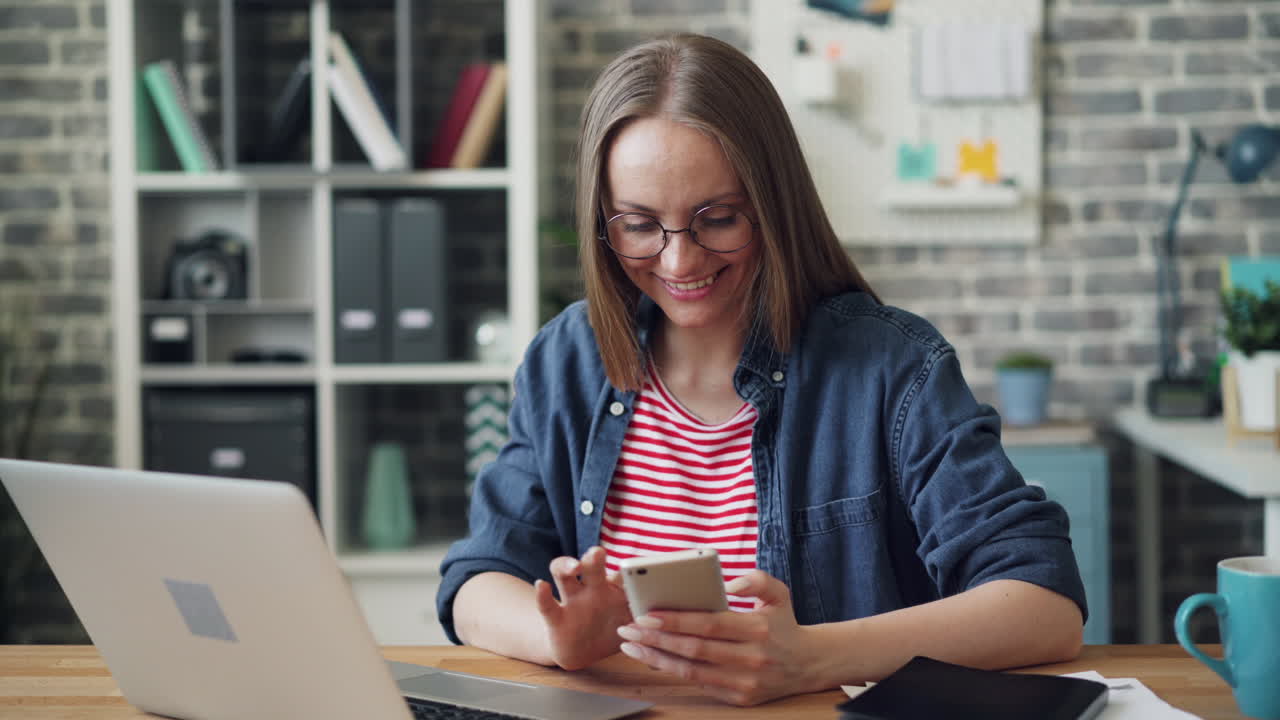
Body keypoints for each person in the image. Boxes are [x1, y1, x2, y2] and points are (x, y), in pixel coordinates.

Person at [438, 33, 1085, 706]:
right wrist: (560, 640)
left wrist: (809, 658)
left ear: (773, 205)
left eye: (718, 219)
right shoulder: (565, 360)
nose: (679, 262)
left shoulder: (891, 368)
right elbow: (476, 580)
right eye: (637, 225)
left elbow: (1045, 604)